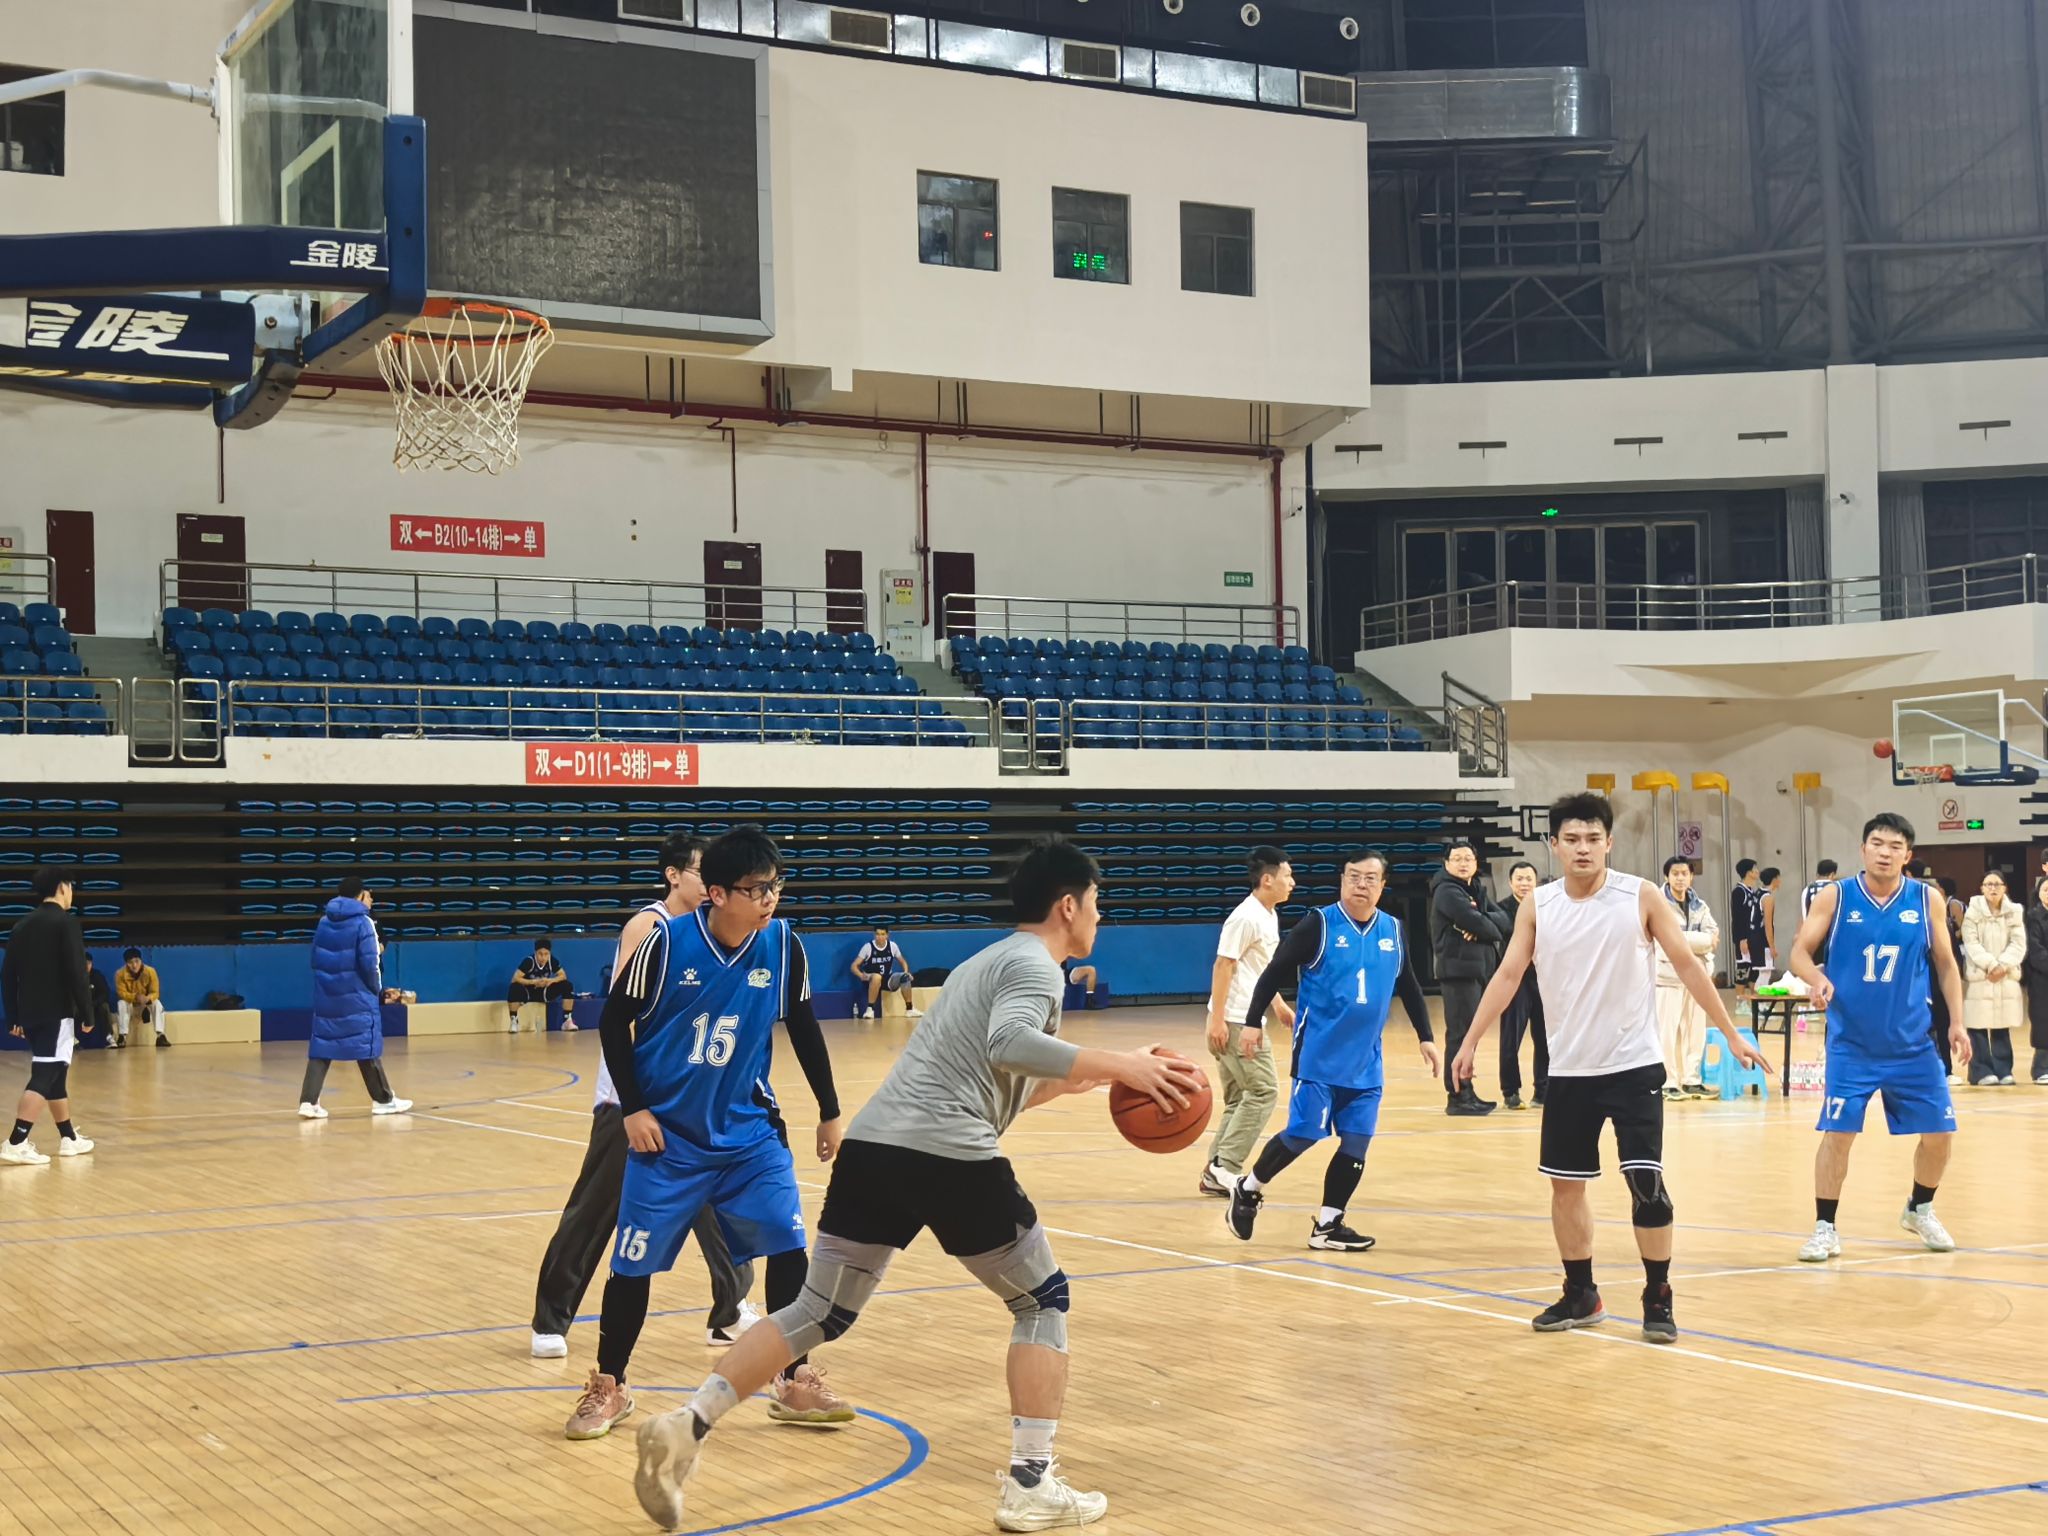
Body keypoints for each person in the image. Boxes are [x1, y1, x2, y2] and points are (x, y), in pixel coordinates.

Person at [626, 839, 1204, 1533]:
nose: (1099, 916)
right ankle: (1030, 1483)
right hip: (945, 1152)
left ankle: (687, 1424)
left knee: (818, 1311)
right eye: (1097, 903)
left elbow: (1007, 1078)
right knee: (1042, 1300)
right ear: (1068, 906)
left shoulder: (985, 962)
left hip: (876, 1149)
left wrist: (1098, 1077)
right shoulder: (1035, 967)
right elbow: (1010, 1045)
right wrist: (1120, 1064)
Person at [1452, 793, 1769, 1344]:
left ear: (1609, 843)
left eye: (1593, 839)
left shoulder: (1640, 895)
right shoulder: (1539, 905)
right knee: (1566, 1188)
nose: (1583, 848)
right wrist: (1470, 1040)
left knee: (1647, 1184)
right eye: (1572, 839)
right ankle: (1582, 1293)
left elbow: (1688, 965)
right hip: (1569, 1071)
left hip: (1633, 1066)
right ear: (1554, 845)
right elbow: (1507, 975)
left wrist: (1732, 1031)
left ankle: (1658, 1294)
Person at [569, 828, 850, 1443]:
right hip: (668, 1140)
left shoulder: (783, 944)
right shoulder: (666, 943)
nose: (770, 898)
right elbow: (613, 1022)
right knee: (632, 1265)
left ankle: (794, 1376)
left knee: (789, 1244)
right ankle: (610, 1384)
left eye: (776, 885)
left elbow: (804, 1025)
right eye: (757, 889)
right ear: (717, 893)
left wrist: (830, 1109)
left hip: (749, 1134)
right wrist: (634, 1109)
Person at [528, 834, 766, 1361]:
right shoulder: (648, 927)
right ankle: (551, 1318)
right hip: (632, 1100)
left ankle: (730, 1310)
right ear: (673, 875)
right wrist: (641, 1099)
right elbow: (625, 1020)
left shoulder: (711, 934)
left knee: (716, 1201)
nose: (710, 882)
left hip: (692, 1101)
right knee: (595, 1211)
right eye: (700, 871)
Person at [1223, 849, 1440, 1252]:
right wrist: (1252, 1022)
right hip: (1318, 1057)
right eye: (1354, 876)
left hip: (1366, 1061)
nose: (1361, 885)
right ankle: (1248, 1188)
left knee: (1357, 1142)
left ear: (1382, 886)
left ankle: (1328, 1224)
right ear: (1342, 880)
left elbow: (1408, 984)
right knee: (1304, 1133)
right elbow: (1273, 972)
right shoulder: (1319, 924)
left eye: (1370, 878)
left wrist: (1425, 1036)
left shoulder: (1393, 929)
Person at [1787, 813, 1968, 1263]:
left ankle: (1919, 1208)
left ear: (1908, 855)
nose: (1884, 852)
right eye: (1877, 843)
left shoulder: (1926, 899)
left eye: (1894, 846)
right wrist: (1816, 978)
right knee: (1838, 1134)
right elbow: (1798, 953)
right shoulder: (1837, 895)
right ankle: (1825, 1227)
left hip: (1912, 1044)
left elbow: (1947, 965)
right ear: (1863, 848)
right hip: (1852, 1044)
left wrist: (1958, 1022)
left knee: (1940, 1135)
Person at [1199, 845, 1294, 1196]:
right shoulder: (1245, 917)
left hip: (1241, 1017)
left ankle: (1215, 1170)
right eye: (1287, 876)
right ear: (1267, 880)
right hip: (1236, 1021)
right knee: (1264, 1091)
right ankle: (1225, 1167)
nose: (1292, 882)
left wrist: (1277, 1003)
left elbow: (1260, 970)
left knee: (1240, 1097)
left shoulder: (1268, 914)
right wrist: (1218, 1020)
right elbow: (1224, 965)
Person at [1, 868, 97, 1165]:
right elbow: (77, 973)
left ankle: (68, 1138)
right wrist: (88, 1013)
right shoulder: (65, 923)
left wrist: (13, 1016)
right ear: (62, 887)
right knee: (45, 1074)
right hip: (56, 1014)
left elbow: (8, 974)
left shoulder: (22, 925)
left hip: (30, 1014)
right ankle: (16, 1141)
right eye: (71, 886)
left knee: (56, 1074)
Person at [300, 876, 410, 1119]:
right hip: (358, 996)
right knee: (366, 1046)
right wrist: (376, 990)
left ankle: (308, 1101)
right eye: (368, 896)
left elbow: (315, 958)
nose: (371, 901)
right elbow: (371, 964)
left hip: (328, 995)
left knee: (322, 1046)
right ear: (360, 896)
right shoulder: (364, 923)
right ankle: (384, 1100)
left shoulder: (324, 921)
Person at [1427, 839, 1507, 1115]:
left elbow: (1504, 920)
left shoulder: (1475, 889)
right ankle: (1458, 1096)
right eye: (1457, 859)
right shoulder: (1447, 891)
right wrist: (1484, 925)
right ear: (1446, 863)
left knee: (1469, 1036)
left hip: (1477, 971)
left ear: (1476, 863)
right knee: (1461, 1035)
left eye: (1468, 859)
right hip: (1459, 972)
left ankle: (1467, 1090)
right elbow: (1481, 924)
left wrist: (1483, 921)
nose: (1463, 863)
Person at [1654, 856, 1720, 1100]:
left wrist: (1688, 940)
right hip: (1667, 975)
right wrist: (1699, 941)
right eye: (1675, 874)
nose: (1680, 878)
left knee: (1695, 1031)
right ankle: (1668, 1082)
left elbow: (1713, 934)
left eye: (1684, 873)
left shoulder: (1699, 905)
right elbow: (1667, 937)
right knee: (1667, 1031)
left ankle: (1691, 1079)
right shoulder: (1658, 903)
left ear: (1691, 876)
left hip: (1697, 975)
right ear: (1666, 876)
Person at [1961, 871, 2024, 1086]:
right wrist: (1991, 965)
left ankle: (2004, 1070)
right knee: (1977, 1024)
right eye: (1988, 884)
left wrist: (2003, 965)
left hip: (2005, 975)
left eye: (1997, 884)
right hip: (1981, 974)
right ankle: (1980, 1071)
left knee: (2001, 1024)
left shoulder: (2014, 911)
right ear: (1981, 888)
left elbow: (2018, 943)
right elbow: (1971, 943)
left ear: (2005, 888)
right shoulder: (1972, 912)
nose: (1993, 888)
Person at [1498, 860, 1548, 1110]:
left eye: (1529, 878)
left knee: (1545, 1038)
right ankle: (1511, 1091)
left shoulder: (1546, 907)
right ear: (1510, 882)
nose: (1524, 883)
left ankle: (1543, 1090)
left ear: (1536, 882)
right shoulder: (1501, 910)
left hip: (1543, 980)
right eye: (1519, 879)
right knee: (1511, 1038)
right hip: (1515, 981)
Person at [849, 927, 919, 1020]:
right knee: (877, 977)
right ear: (874, 935)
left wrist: (906, 972)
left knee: (905, 977)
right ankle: (870, 1010)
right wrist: (861, 975)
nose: (880, 937)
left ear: (887, 935)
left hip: (887, 979)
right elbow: (854, 966)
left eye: (882, 934)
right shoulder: (868, 947)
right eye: (877, 934)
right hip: (871, 978)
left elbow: (903, 961)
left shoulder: (892, 946)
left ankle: (909, 1009)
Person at [508, 939, 573, 1033]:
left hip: (544, 992)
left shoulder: (552, 961)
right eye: (540, 954)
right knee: (514, 987)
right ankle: (514, 1021)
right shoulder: (529, 961)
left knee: (567, 985)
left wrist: (550, 980)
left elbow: (563, 975)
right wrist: (533, 982)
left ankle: (567, 1021)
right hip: (527, 992)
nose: (543, 957)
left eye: (546, 954)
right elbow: (515, 978)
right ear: (535, 953)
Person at [114, 947, 167, 1048]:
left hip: (146, 1004)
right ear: (126, 963)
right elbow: (121, 993)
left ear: (141, 960)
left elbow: (155, 992)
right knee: (121, 1003)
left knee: (157, 1003)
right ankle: (122, 1037)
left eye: (136, 961)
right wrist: (135, 997)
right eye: (130, 962)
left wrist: (147, 998)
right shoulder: (120, 974)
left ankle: (161, 1036)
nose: (134, 965)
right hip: (131, 1005)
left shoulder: (150, 971)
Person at [1731, 859, 1766, 983]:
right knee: (1743, 969)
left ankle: (1753, 995)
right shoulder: (1739, 892)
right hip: (1744, 938)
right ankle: (1740, 996)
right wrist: (1742, 939)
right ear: (1748, 872)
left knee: (1754, 971)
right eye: (1755, 869)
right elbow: (1737, 918)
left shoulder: (1753, 892)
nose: (1757, 871)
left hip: (1754, 938)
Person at [2027, 876, 2048, 1085]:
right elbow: (2035, 949)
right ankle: (2041, 1068)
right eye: (2046, 890)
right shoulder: (2033, 917)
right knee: (2043, 1022)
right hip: (2041, 979)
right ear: (2039, 893)